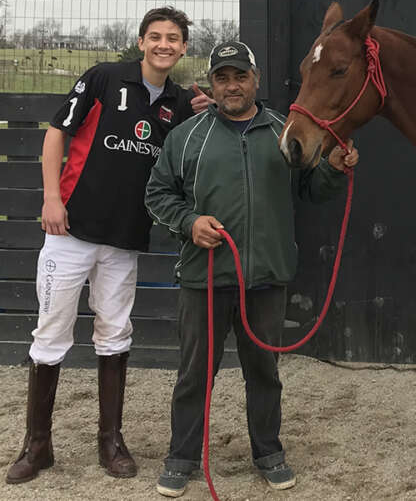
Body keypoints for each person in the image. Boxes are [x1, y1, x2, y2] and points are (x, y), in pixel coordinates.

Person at [6, 7, 212, 485]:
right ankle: (37, 446)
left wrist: (211, 107)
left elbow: (194, 147)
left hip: (124, 241)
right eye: (156, 36)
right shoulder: (103, 78)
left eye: (174, 39)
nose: (164, 45)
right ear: (141, 42)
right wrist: (52, 198)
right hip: (70, 232)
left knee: (114, 332)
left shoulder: (181, 103)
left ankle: (111, 442)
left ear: (183, 48)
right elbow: (57, 133)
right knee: (51, 334)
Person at [145, 40, 358, 497]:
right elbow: (157, 194)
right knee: (194, 374)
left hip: (266, 278)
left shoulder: (285, 129)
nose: (232, 85)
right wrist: (189, 222)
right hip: (203, 278)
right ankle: (181, 458)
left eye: (240, 76)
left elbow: (313, 190)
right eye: (222, 77)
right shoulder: (187, 136)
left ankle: (268, 453)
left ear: (255, 80)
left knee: (264, 371)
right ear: (213, 84)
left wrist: (335, 169)